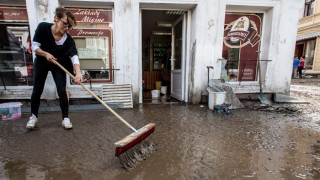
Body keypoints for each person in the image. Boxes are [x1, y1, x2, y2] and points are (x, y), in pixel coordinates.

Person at [26, 7, 82, 130]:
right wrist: (45, 54)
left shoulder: (69, 40)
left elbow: (74, 56)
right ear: (57, 18)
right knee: (37, 89)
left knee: (62, 91)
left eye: (69, 26)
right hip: (42, 61)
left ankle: (65, 118)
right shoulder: (43, 28)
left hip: (58, 64)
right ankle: (33, 116)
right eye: (65, 24)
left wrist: (78, 73)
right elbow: (35, 47)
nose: (66, 28)